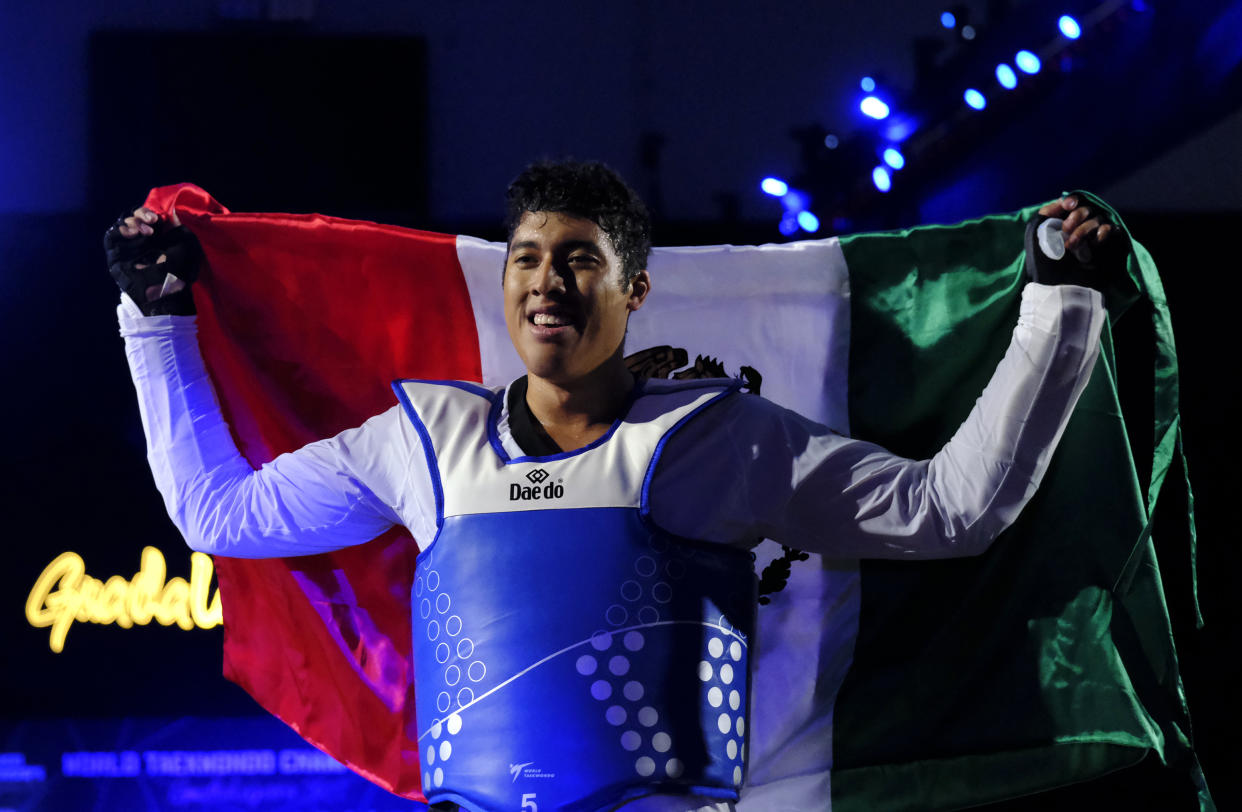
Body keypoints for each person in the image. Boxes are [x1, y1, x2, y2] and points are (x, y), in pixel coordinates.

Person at [109, 160, 1117, 812]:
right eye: (528, 259)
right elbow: (219, 513)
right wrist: (155, 320)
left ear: (633, 290)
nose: (547, 281)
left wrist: (1058, 304)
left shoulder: (717, 437)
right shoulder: (422, 439)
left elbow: (953, 506)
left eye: (580, 261)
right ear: (505, 284)